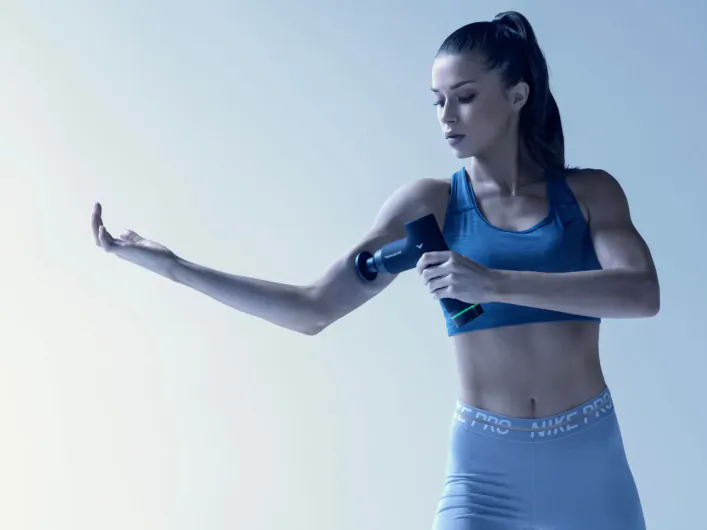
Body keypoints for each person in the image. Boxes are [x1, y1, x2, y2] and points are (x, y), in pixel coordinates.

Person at [91, 10, 659, 530]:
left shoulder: (588, 195)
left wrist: (494, 282)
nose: (446, 116)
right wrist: (175, 268)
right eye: (437, 100)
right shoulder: (429, 205)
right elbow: (312, 309)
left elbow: (640, 293)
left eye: (464, 96)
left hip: (590, 466)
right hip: (484, 475)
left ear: (517, 94)